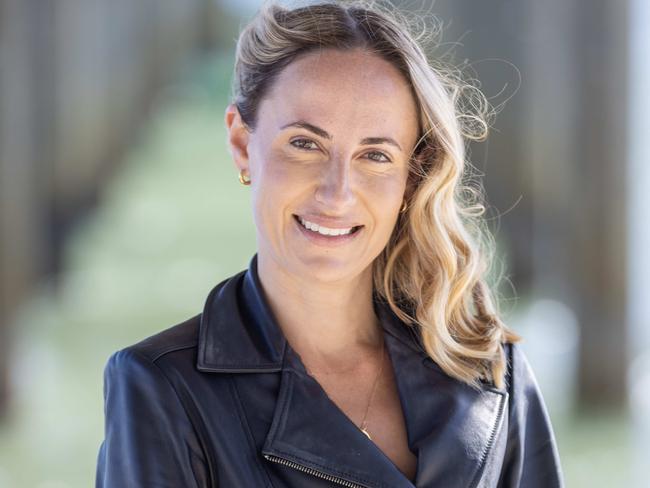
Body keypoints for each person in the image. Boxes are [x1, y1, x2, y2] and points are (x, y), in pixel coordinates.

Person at [95, 1, 564, 486]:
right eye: (305, 144)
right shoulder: (161, 387)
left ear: (412, 175)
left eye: (376, 155)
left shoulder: (486, 364)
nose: (336, 194)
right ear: (241, 143)